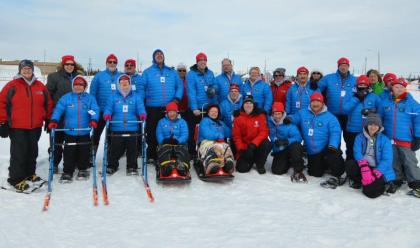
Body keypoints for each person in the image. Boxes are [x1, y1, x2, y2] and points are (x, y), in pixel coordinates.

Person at [0, 59, 53, 191]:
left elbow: (48, 104)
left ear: (32, 70)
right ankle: (15, 179)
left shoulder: (40, 86)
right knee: (19, 154)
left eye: (29, 68)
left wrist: (48, 119)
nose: (27, 71)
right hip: (17, 127)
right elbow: (2, 103)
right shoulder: (12, 85)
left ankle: (29, 175)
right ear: (20, 70)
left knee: (32, 152)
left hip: (35, 126)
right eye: (24, 69)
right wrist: (3, 121)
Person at [286, 92, 345, 188]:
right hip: (312, 151)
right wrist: (289, 119)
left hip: (327, 147)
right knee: (315, 173)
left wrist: (333, 145)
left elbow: (335, 132)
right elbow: (295, 117)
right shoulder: (303, 112)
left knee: (333, 154)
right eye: (313, 101)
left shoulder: (330, 117)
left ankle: (338, 174)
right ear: (310, 103)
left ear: (322, 103)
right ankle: (325, 165)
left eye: (318, 101)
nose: (315, 104)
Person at [48, 75, 99, 183]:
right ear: (72, 86)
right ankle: (67, 171)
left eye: (81, 85)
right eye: (76, 85)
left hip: (84, 131)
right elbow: (58, 110)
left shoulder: (89, 98)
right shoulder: (66, 98)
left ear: (84, 87)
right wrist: (54, 120)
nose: (78, 87)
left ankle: (82, 169)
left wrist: (94, 119)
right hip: (70, 131)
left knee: (84, 151)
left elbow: (95, 110)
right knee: (69, 152)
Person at [140, 49, 183, 163]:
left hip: (169, 108)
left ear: (164, 57)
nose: (159, 56)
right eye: (157, 55)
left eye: (161, 54)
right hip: (152, 107)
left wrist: (176, 99)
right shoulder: (147, 72)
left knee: (169, 129)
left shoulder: (172, 72)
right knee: (152, 131)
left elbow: (179, 86)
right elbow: (141, 90)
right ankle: (152, 154)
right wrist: (141, 106)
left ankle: (169, 151)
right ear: (153, 58)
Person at [379, 77, 420, 195]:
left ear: (405, 89)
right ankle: (397, 179)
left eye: (402, 87)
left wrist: (418, 136)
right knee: (393, 160)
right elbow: (380, 118)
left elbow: (418, 121)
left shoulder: (412, 103)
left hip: (406, 138)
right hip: (389, 138)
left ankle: (416, 182)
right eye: (397, 87)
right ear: (392, 88)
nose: (399, 89)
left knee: (409, 161)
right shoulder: (385, 102)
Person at [103, 74, 146, 176]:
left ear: (130, 84)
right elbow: (108, 108)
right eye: (122, 84)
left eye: (126, 84)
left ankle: (132, 166)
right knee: (115, 149)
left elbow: (141, 108)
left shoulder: (136, 97)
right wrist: (107, 114)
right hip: (117, 127)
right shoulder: (113, 97)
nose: (124, 86)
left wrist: (142, 114)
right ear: (118, 85)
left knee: (132, 149)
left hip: (132, 127)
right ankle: (112, 165)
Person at [345, 113, 395, 198]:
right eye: (370, 124)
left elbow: (387, 160)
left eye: (376, 125)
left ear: (379, 126)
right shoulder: (359, 137)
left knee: (370, 192)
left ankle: (384, 184)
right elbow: (357, 152)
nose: (373, 127)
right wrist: (364, 167)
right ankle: (363, 181)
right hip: (364, 166)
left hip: (378, 169)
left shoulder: (385, 140)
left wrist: (376, 173)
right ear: (366, 125)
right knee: (350, 165)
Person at [46, 55, 82, 173]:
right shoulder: (54, 77)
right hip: (59, 114)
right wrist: (50, 116)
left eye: (72, 64)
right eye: (67, 64)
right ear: (63, 65)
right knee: (57, 141)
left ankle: (74, 161)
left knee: (72, 140)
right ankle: (55, 163)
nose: (70, 66)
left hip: (74, 115)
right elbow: (48, 96)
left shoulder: (78, 76)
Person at [317, 57, 357, 160]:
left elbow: (363, 89)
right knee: (334, 139)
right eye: (341, 65)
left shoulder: (354, 80)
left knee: (349, 140)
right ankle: (335, 162)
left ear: (348, 66)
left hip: (349, 115)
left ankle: (350, 162)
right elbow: (317, 89)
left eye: (345, 65)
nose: (343, 67)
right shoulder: (329, 78)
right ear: (338, 66)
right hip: (332, 115)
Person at [342, 75, 381, 160]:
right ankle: (351, 168)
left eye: (364, 85)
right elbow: (345, 109)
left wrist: (373, 112)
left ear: (368, 85)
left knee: (366, 151)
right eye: (360, 84)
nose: (362, 87)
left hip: (369, 130)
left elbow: (380, 111)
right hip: (353, 129)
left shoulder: (373, 96)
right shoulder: (350, 94)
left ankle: (365, 168)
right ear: (356, 85)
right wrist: (356, 98)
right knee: (351, 150)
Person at [186, 52, 217, 155]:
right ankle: (192, 151)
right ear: (197, 62)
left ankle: (207, 149)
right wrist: (194, 108)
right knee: (194, 130)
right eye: (200, 60)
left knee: (207, 129)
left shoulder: (210, 73)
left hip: (208, 106)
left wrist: (213, 89)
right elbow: (191, 91)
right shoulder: (191, 74)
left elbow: (214, 85)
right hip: (197, 108)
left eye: (204, 60)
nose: (203, 62)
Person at [89, 54, 120, 153]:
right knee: (96, 134)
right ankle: (91, 156)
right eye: (110, 62)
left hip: (115, 112)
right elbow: (92, 94)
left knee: (113, 135)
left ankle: (110, 157)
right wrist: (94, 109)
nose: (112, 64)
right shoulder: (99, 76)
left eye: (114, 62)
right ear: (106, 63)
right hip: (101, 111)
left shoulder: (121, 76)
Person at [232, 95, 271, 174]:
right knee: (241, 169)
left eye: (250, 103)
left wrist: (254, 144)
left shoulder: (260, 115)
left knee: (266, 143)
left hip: (256, 145)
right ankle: (251, 159)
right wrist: (241, 149)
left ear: (253, 105)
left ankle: (260, 163)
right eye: (246, 103)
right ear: (243, 105)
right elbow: (237, 136)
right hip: (245, 146)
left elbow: (264, 131)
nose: (248, 105)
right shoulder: (238, 118)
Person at [268, 102, 306, 182]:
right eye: (275, 114)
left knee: (296, 145)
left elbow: (298, 137)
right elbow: (270, 134)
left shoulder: (289, 124)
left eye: (279, 114)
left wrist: (286, 141)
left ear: (283, 113)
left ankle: (298, 170)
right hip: (279, 150)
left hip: (289, 147)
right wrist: (275, 140)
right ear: (272, 114)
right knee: (277, 171)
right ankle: (289, 161)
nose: (277, 116)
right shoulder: (270, 122)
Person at [197, 104, 235, 174]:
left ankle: (228, 162)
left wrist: (226, 128)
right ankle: (211, 164)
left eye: (216, 112)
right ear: (208, 112)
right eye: (212, 111)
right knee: (214, 147)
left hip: (220, 142)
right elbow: (207, 134)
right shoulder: (204, 121)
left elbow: (229, 133)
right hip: (207, 141)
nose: (214, 113)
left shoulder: (220, 123)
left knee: (226, 147)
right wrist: (219, 136)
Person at [156, 102, 189, 177]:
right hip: (166, 143)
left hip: (179, 143)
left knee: (182, 151)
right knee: (164, 151)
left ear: (177, 112)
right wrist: (163, 140)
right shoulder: (161, 122)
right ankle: (166, 167)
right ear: (167, 113)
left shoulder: (182, 122)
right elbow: (159, 134)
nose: (172, 114)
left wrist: (178, 140)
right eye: (170, 112)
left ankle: (182, 166)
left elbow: (185, 134)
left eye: (174, 112)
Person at [176, 63, 195, 157]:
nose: (182, 72)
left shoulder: (188, 80)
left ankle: (190, 149)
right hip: (177, 109)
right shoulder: (175, 80)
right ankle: (178, 148)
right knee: (178, 129)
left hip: (188, 108)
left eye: (184, 70)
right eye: (180, 70)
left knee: (189, 129)